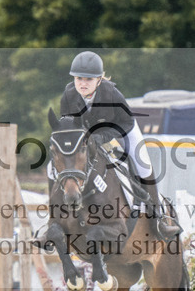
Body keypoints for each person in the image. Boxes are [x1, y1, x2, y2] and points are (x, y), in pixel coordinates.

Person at [59, 51, 181, 239]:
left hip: (121, 130)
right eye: (79, 78)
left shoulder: (111, 94)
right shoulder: (68, 95)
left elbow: (125, 123)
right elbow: (67, 127)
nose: (82, 83)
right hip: (88, 139)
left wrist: (103, 137)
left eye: (88, 79)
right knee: (63, 165)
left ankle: (159, 218)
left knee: (142, 165)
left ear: (99, 80)